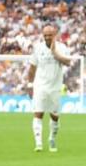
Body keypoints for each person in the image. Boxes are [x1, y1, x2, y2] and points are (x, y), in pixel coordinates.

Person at [30, 23, 76, 153]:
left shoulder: (62, 48)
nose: (47, 37)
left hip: (55, 87)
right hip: (40, 85)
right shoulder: (37, 48)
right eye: (45, 35)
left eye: (50, 35)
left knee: (55, 116)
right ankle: (38, 143)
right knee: (38, 113)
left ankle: (52, 138)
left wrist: (55, 53)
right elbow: (32, 67)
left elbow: (68, 62)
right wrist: (29, 84)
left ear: (55, 35)